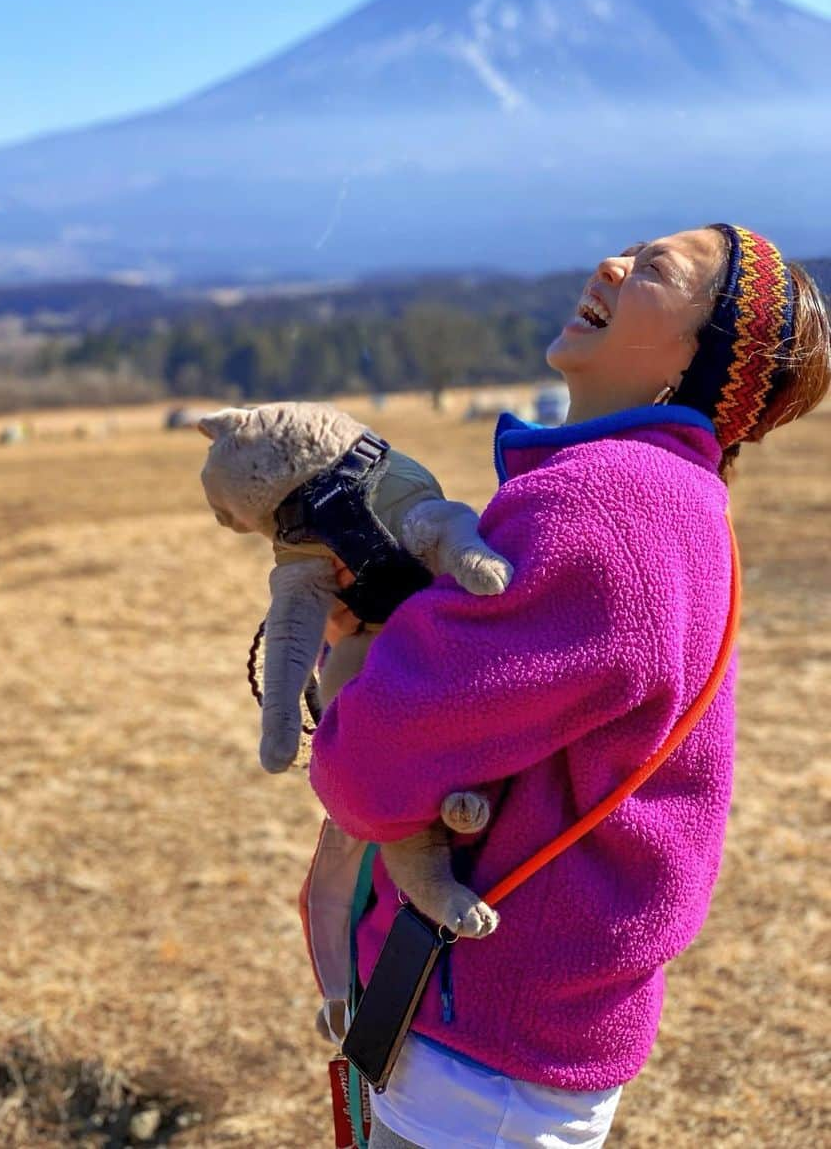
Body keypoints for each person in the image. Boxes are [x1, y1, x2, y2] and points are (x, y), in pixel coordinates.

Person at [309, 226, 830, 1148]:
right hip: (520, 1028)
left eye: (656, 270)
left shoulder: (606, 504)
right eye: (630, 249)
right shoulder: (668, 496)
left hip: (483, 1056)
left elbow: (368, 764)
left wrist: (356, 642)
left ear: (696, 361)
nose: (613, 266)